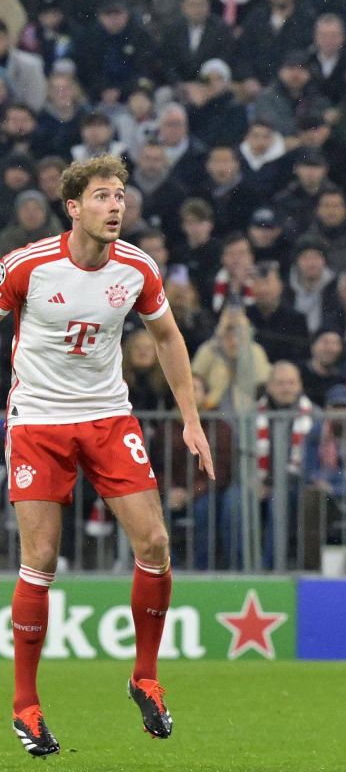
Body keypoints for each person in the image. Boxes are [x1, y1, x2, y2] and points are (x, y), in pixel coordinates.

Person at [3, 155, 214, 757]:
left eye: (120, 195)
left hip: (107, 417)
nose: (115, 206)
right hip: (39, 421)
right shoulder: (28, 267)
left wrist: (191, 419)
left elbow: (168, 337)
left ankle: (144, 676)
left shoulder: (138, 268)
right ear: (73, 207)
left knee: (154, 544)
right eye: (101, 196)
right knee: (40, 557)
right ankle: (26, 706)